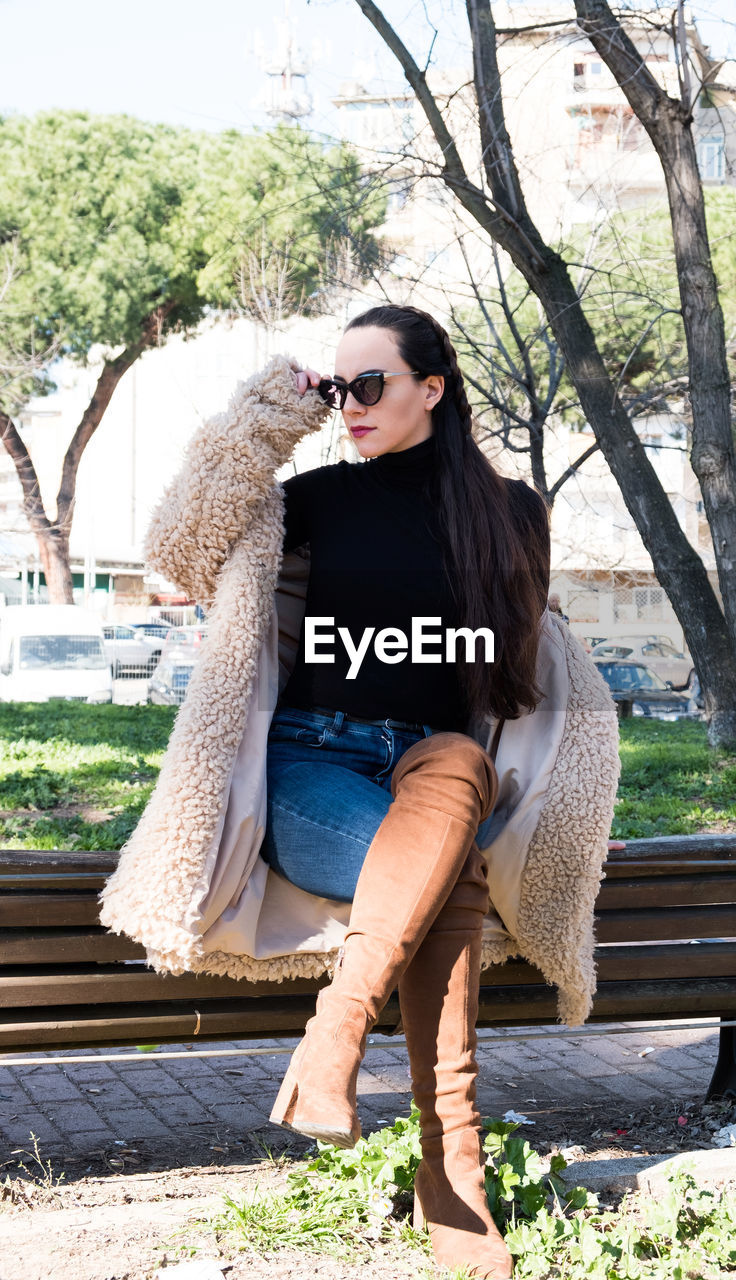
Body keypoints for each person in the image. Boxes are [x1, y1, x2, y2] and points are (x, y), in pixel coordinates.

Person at [100, 305, 620, 1280]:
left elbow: (524, 690)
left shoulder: (512, 516)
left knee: (458, 768)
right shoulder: (314, 497)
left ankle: (337, 1038)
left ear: (433, 386)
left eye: (368, 383)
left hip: (437, 769)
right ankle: (448, 1166)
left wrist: (568, 824)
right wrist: (266, 415)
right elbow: (176, 549)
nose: (349, 405)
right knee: (449, 872)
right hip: (312, 766)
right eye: (337, 387)